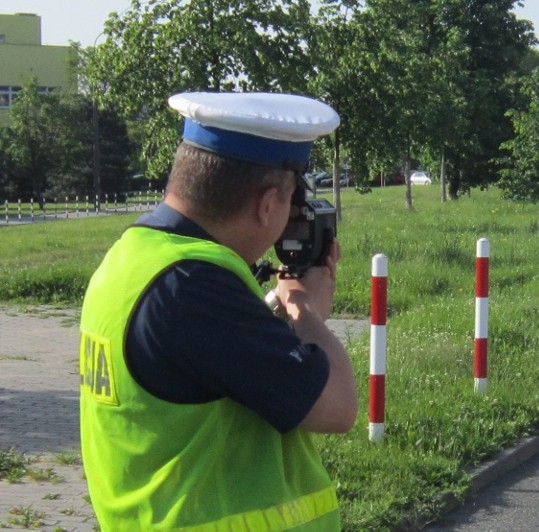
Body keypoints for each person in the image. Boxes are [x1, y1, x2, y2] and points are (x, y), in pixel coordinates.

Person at [79, 92, 357, 530]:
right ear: (268, 205)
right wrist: (307, 313)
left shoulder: (133, 257)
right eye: (288, 205)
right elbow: (337, 407)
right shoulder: (193, 288)